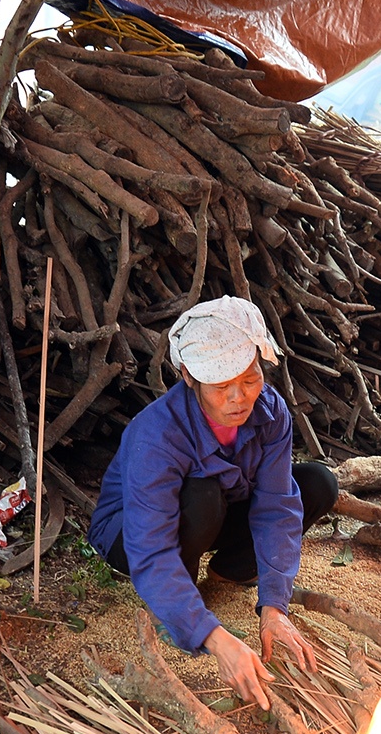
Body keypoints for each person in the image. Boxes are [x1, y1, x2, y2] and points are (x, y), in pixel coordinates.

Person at [90, 298, 339, 708]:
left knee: (316, 484)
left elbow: (276, 507)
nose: (239, 398)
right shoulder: (157, 433)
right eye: (222, 386)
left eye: (250, 379)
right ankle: (179, 604)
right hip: (132, 535)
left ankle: (225, 575)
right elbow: (148, 546)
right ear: (190, 377)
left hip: (216, 510)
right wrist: (215, 638)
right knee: (202, 494)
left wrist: (275, 608)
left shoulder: (271, 414)